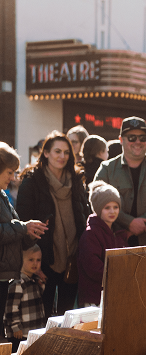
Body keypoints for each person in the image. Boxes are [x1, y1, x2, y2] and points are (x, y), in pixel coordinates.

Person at [17, 132, 89, 317]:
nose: (62, 156)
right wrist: (32, 258)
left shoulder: (76, 179)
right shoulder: (32, 181)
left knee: (67, 315)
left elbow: (83, 216)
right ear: (46, 153)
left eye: (66, 152)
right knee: (44, 316)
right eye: (57, 151)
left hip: (73, 257)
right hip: (44, 257)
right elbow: (23, 221)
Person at [94, 116, 146, 246]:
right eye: (132, 137)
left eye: (143, 138)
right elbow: (96, 202)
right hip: (114, 241)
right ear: (121, 140)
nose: (138, 142)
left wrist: (142, 225)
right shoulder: (107, 169)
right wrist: (129, 223)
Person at [1, 142, 48, 340]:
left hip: (5, 274)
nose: (13, 178)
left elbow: (13, 234)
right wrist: (23, 227)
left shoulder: (2, 195)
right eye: (9, 172)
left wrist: (29, 235)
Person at [77, 181, 128, 307]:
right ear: (98, 209)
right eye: (107, 208)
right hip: (95, 298)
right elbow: (93, 267)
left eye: (115, 207)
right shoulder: (91, 234)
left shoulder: (119, 233)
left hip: (114, 294)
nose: (112, 211)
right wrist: (117, 276)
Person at [3, 245, 47, 352]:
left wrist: (42, 282)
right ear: (20, 260)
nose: (35, 263)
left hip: (33, 330)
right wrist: (15, 326)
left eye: (38, 260)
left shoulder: (34, 281)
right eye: (31, 260)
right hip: (20, 333)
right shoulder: (18, 283)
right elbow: (11, 308)